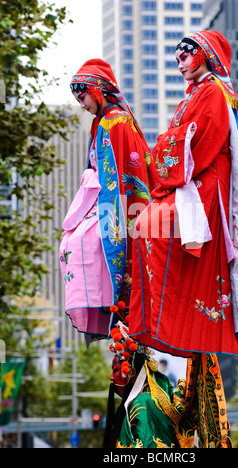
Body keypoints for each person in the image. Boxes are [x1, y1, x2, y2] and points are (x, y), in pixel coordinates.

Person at [128, 31, 238, 359]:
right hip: (190, 183)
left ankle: (177, 319)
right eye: (176, 59)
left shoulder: (214, 93)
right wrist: (169, 142)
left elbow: (198, 141)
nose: (179, 65)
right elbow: (175, 138)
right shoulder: (194, 95)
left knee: (149, 228)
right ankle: (169, 319)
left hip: (205, 186)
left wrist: (167, 144)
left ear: (202, 53)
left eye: (183, 57)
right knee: (144, 226)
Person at [59, 58, 152, 346]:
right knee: (73, 243)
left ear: (97, 90)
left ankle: (107, 297)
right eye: (77, 98)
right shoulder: (108, 122)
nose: (81, 103)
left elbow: (114, 180)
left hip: (117, 207)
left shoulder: (115, 123)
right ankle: (104, 299)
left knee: (79, 244)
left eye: (83, 96)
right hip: (107, 202)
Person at [103, 322, 231, 448]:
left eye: (115, 371)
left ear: (132, 372)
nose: (112, 377)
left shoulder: (143, 402)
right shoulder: (146, 400)